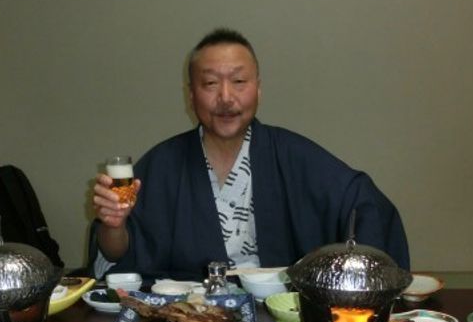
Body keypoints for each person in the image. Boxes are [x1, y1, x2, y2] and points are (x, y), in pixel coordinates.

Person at [91, 28, 409, 280]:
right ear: (191, 95)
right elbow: (118, 255)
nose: (226, 97)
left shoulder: (293, 155)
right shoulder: (162, 165)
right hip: (187, 319)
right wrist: (113, 225)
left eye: (239, 81)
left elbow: (362, 202)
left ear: (259, 89)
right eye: (211, 83)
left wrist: (357, 279)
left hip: (276, 315)